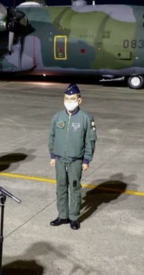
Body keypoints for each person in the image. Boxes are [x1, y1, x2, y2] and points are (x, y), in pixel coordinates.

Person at [48, 83, 97, 230]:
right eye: (67, 98)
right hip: (59, 159)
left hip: (76, 160)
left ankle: (74, 217)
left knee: (75, 188)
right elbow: (52, 136)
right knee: (61, 187)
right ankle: (62, 215)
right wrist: (52, 155)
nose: (69, 101)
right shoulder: (57, 117)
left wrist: (86, 159)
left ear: (79, 100)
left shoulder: (86, 118)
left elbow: (90, 140)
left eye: (72, 98)